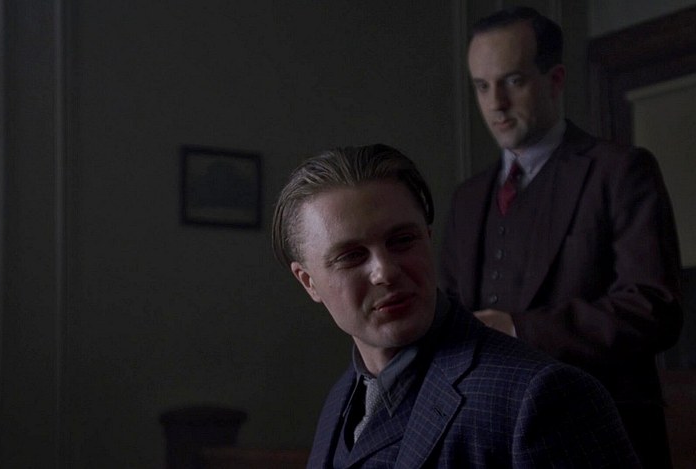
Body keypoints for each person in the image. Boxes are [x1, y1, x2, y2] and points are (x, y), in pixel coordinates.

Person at [273, 144, 640, 468]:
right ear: (308, 282)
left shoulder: (540, 397)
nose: (385, 271)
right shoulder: (340, 399)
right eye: (351, 256)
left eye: (402, 240)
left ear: (427, 238)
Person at [440, 6, 683, 468]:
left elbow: (654, 308)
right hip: (489, 438)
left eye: (513, 81)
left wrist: (518, 329)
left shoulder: (620, 171)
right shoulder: (468, 198)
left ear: (555, 80)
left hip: (604, 438)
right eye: (482, 86)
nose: (496, 103)